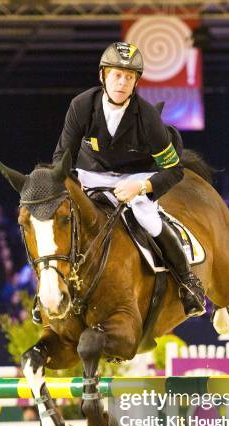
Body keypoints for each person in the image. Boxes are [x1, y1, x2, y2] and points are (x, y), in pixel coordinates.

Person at [32, 42, 206, 324]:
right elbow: (61, 156)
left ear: (136, 81)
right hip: (91, 172)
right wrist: (61, 188)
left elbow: (174, 170)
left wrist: (142, 188)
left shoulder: (147, 117)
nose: (122, 82)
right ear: (103, 76)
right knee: (58, 220)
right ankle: (46, 293)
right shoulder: (81, 106)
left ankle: (188, 284)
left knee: (148, 218)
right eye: (117, 75)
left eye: (129, 77)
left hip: (136, 176)